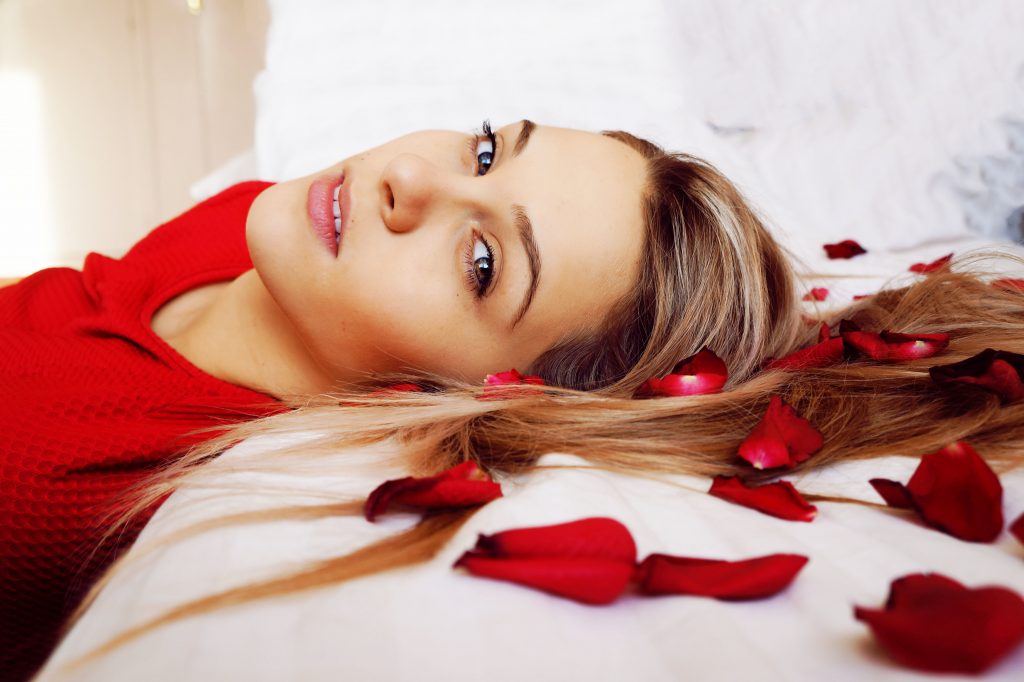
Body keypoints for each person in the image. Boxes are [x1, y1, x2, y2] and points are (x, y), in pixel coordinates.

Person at [4, 119, 1024, 681]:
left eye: (483, 261)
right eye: (487, 150)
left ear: (489, 391)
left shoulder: (58, 477)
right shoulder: (270, 228)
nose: (409, 176)